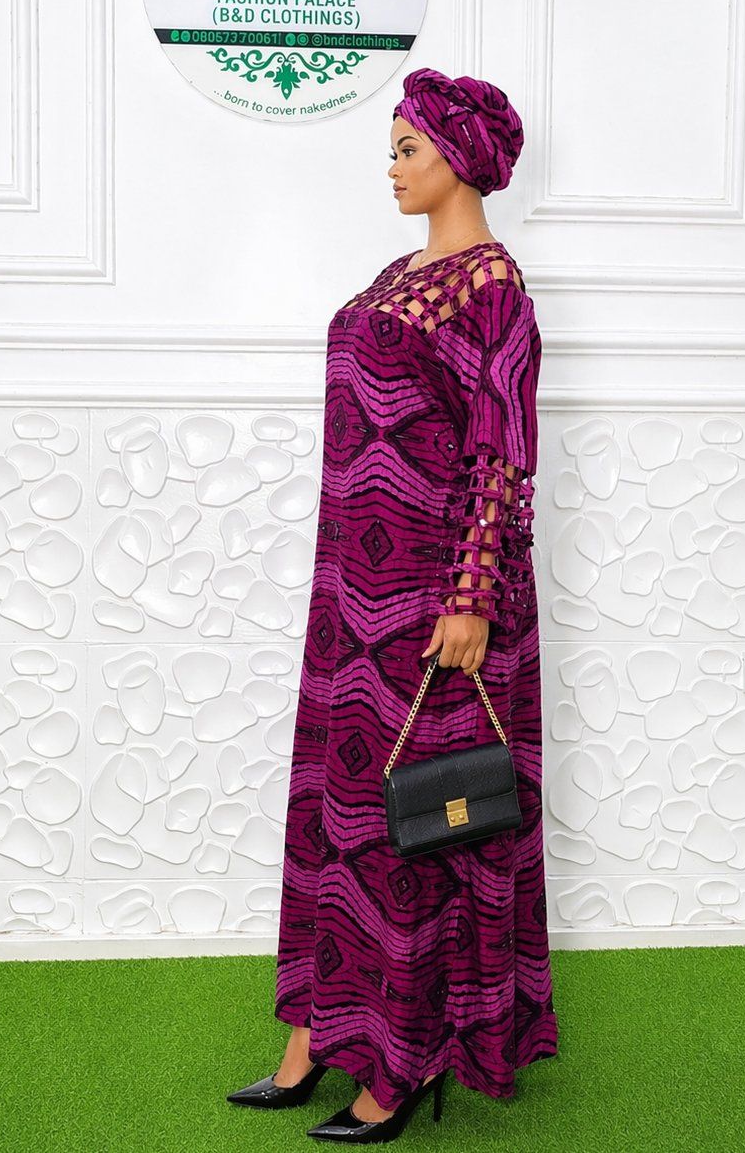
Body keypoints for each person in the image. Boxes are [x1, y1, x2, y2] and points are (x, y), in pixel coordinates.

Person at [227, 67, 558, 1142]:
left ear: (459, 157)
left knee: (409, 831)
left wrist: (471, 597)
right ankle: (313, 1036)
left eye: (408, 147)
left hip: (433, 599)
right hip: (352, 591)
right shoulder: (397, 272)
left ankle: (402, 1062)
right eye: (393, 147)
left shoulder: (494, 288)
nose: (393, 165)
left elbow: (501, 451)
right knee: (338, 812)